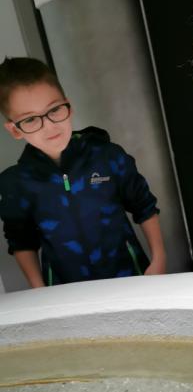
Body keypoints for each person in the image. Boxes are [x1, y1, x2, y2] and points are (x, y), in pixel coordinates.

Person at [0, 57, 166, 287]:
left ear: (69, 106)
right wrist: (40, 291)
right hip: (66, 296)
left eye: (54, 109)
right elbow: (21, 242)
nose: (49, 125)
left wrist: (159, 259)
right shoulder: (16, 184)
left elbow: (144, 207)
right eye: (30, 119)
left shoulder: (108, 156)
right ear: (15, 130)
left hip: (130, 282)